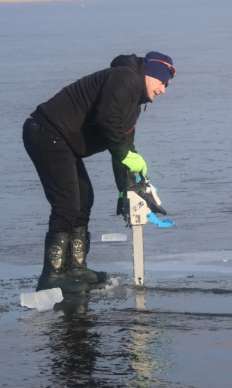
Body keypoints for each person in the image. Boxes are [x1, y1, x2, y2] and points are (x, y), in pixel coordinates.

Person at [23, 51, 176, 293]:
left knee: (84, 200)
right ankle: (51, 276)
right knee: (66, 204)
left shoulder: (133, 102)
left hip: (62, 142)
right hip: (47, 132)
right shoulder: (125, 78)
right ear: (150, 74)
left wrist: (125, 189)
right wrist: (126, 154)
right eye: (162, 83)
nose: (163, 90)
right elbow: (106, 118)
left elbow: (123, 148)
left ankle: (75, 269)